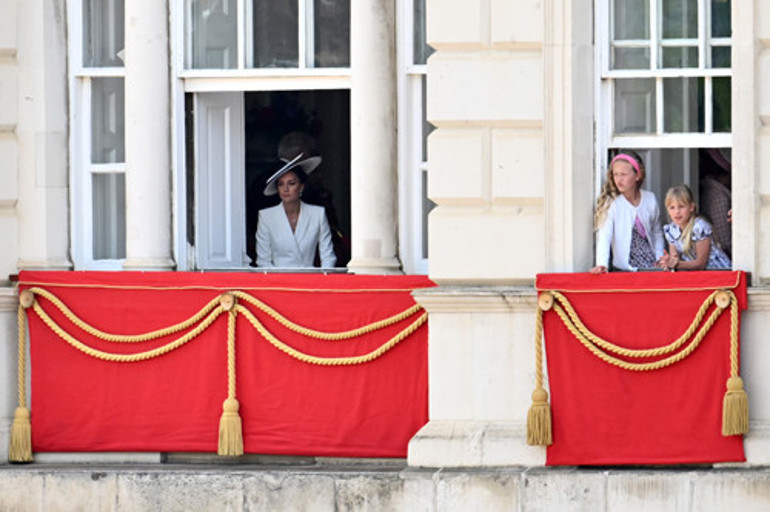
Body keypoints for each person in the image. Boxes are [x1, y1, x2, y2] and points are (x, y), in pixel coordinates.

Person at [256, 153, 337, 268]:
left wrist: (323, 276)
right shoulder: (266, 217)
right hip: (278, 278)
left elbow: (328, 256)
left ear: (301, 187)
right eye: (281, 184)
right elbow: (263, 260)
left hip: (309, 277)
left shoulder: (317, 214)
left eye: (291, 183)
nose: (285, 189)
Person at [591, 150, 665, 274]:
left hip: (651, 266)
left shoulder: (650, 199)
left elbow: (657, 233)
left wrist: (660, 258)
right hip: (625, 269)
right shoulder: (612, 203)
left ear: (638, 175)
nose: (619, 179)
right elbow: (605, 236)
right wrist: (602, 264)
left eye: (624, 174)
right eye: (615, 174)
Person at [657, 184, 731, 271]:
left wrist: (677, 264)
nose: (677, 212)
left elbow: (700, 264)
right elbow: (675, 259)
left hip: (718, 271)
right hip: (695, 274)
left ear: (692, 207)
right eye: (672, 208)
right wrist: (668, 262)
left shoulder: (699, 227)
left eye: (681, 206)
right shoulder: (671, 230)